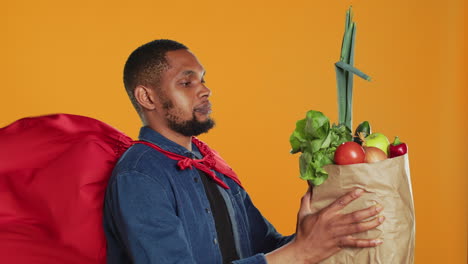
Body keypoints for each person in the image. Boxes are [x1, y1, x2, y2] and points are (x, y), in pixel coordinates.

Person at [103, 39, 385, 264]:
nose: (205, 90)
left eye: (203, 80)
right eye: (187, 82)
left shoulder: (213, 167)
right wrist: (299, 252)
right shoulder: (139, 176)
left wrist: (312, 233)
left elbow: (266, 247)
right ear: (147, 97)